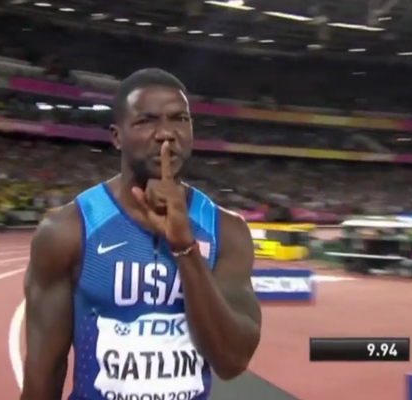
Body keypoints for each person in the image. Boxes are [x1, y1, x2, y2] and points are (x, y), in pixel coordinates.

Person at [21, 68, 262, 400]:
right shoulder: (69, 230)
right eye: (146, 121)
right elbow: (42, 377)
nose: (166, 134)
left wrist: (184, 247)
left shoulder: (226, 231)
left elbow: (232, 360)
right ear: (116, 136)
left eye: (179, 119)